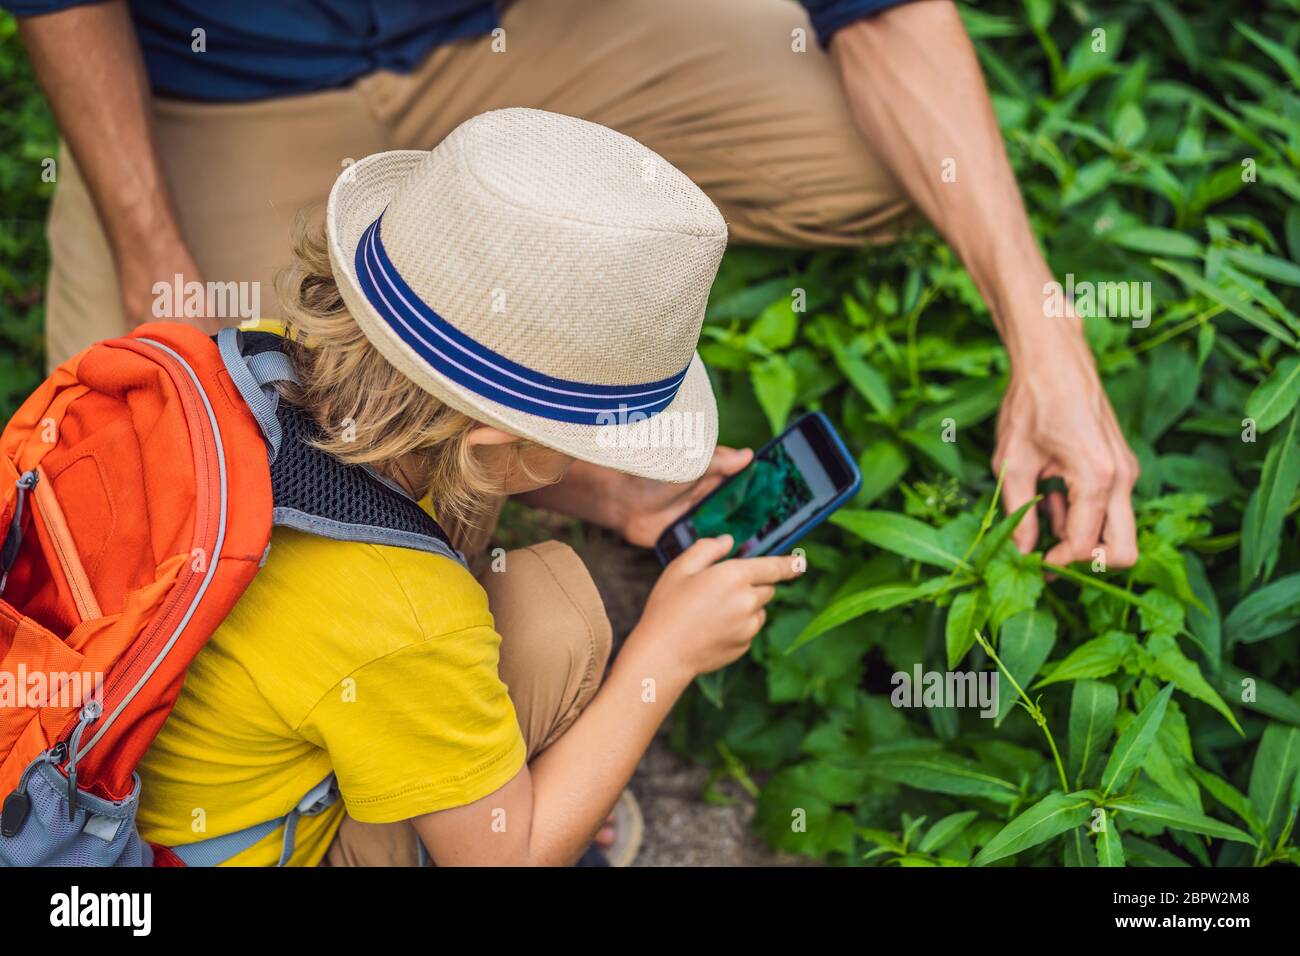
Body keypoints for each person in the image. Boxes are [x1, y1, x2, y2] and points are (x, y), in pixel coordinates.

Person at [8, 0, 1140, 574]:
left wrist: (1047, 340)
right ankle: (507, 454)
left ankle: (493, 375)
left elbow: (872, 6)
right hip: (215, 85)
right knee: (157, 471)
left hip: (516, 30)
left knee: (865, 156)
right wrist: (156, 258)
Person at [134, 108, 801, 866]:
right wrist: (665, 656)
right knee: (556, 621)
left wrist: (604, 496)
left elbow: (418, 461)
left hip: (127, 781)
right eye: (577, 443)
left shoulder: (257, 359)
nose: (594, 454)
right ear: (496, 439)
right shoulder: (410, 619)